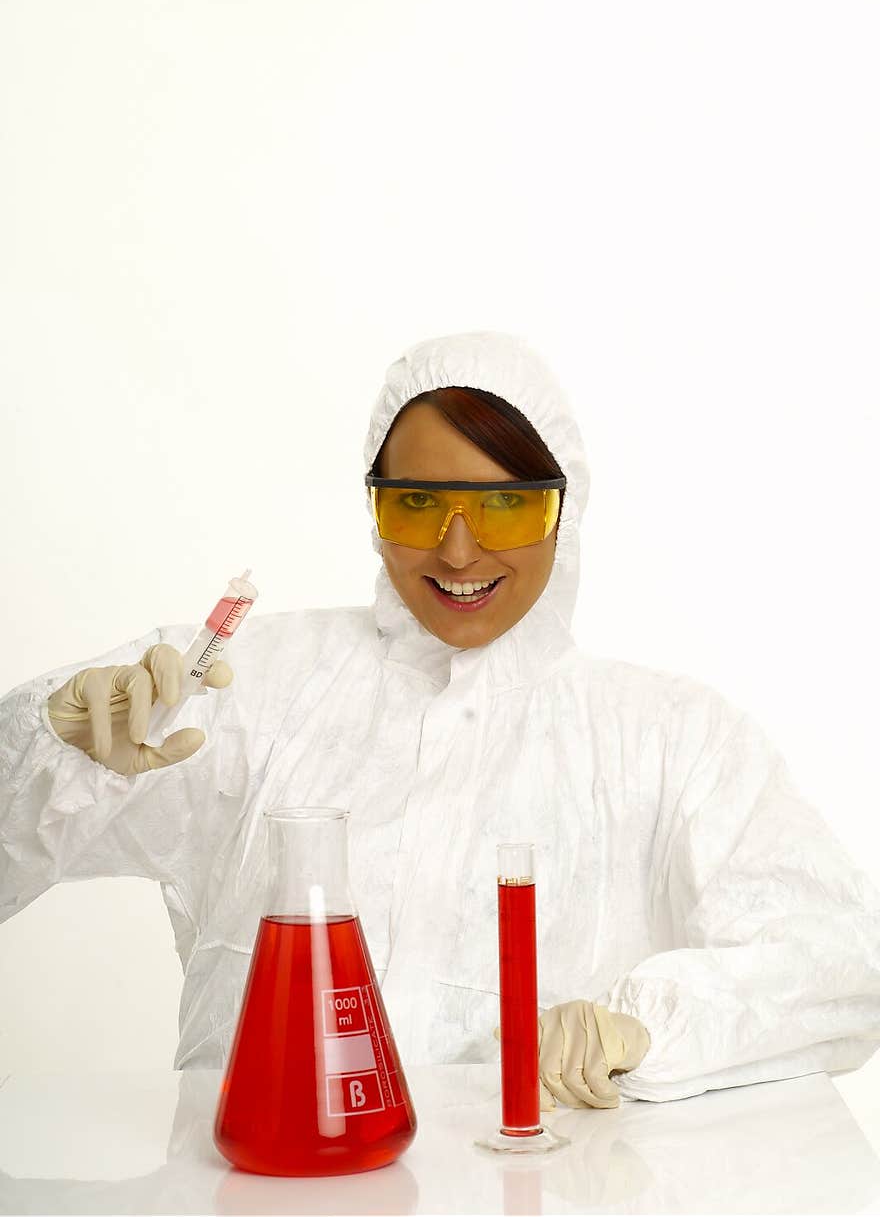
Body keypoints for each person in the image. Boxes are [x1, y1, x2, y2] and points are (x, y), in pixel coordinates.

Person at [2, 330, 879, 1110]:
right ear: (375, 505)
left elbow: (840, 962)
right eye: (417, 502)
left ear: (563, 510)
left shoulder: (666, 737)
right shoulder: (245, 687)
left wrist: (642, 1029)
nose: (458, 550)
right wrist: (54, 752)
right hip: (259, 1213)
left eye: (505, 504)